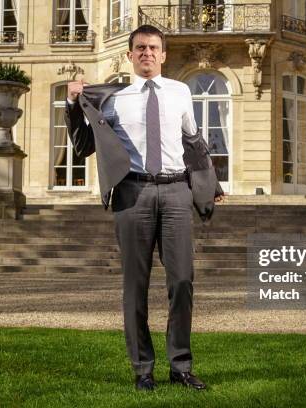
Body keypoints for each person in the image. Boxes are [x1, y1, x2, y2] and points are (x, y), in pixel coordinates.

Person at [64, 24, 224, 391]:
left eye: (153, 47)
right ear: (130, 55)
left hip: (176, 193)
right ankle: (143, 369)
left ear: (163, 54)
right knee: (135, 285)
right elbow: (82, 145)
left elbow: (193, 142)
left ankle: (181, 366)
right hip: (132, 194)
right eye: (140, 48)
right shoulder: (113, 99)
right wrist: (73, 104)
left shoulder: (181, 92)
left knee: (182, 279)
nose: (147, 53)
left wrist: (210, 183)